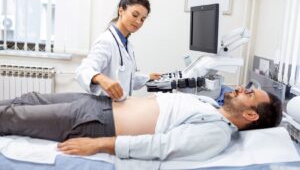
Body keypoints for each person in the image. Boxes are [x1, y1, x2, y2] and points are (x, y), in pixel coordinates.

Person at [0, 87, 282, 161]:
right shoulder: (211, 107)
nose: (241, 88)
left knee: (13, 118)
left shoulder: (217, 134)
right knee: (28, 99)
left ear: (252, 116)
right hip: (96, 103)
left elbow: (160, 146)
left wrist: (99, 144)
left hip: (95, 122)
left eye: (249, 94)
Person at [76, 0, 160, 101]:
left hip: (120, 108)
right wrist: (101, 78)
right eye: (135, 15)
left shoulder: (126, 44)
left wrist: (148, 78)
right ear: (121, 11)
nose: (138, 22)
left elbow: (125, 78)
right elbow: (83, 70)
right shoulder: (106, 41)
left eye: (143, 19)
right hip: (105, 108)